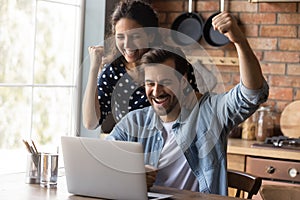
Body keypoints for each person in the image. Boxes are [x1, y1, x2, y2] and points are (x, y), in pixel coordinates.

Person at [105, 12, 269, 196]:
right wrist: (130, 176)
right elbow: (103, 161)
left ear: (183, 80)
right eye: (150, 83)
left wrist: (239, 41)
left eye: (165, 82)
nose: (156, 92)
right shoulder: (135, 121)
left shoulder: (211, 112)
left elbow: (251, 94)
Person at [82, 0, 199, 131]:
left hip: (170, 145)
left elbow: (194, 110)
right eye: (120, 37)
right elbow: (90, 123)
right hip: (129, 147)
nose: (127, 44)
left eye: (135, 36)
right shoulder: (113, 72)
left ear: (151, 35)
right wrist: (94, 68)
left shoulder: (172, 63)